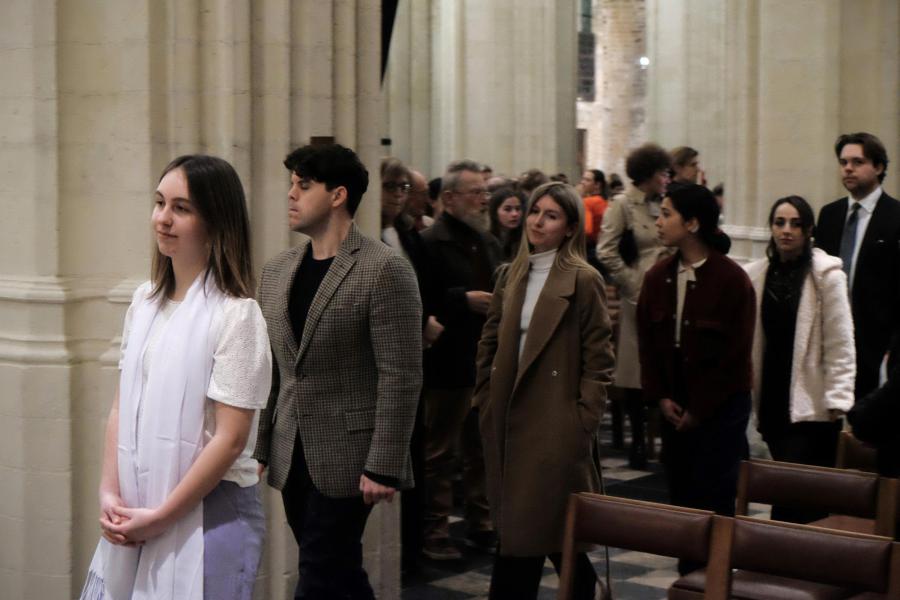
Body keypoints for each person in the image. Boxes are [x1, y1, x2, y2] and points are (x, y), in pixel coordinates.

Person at [81, 155, 272, 600]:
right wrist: (109, 490)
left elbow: (230, 439)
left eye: (181, 208)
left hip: (214, 511)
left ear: (215, 221)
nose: (163, 219)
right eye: (160, 203)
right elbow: (121, 406)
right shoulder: (145, 302)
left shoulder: (236, 315)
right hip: (140, 499)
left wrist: (163, 515)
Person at [252, 143, 422, 598]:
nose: (290, 194)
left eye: (303, 185)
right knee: (337, 570)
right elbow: (275, 368)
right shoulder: (277, 270)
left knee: (320, 570)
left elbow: (401, 375)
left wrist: (384, 465)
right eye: (291, 184)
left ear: (337, 195)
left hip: (351, 454)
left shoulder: (385, 270)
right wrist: (263, 444)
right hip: (294, 448)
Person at [474, 182, 614, 600]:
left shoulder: (583, 280)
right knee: (545, 535)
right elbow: (491, 339)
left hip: (554, 424)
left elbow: (599, 360)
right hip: (507, 417)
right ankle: (588, 591)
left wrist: (581, 421)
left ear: (570, 227)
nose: (537, 221)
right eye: (535, 211)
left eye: (550, 215)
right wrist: (484, 396)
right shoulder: (511, 273)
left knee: (529, 536)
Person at [637, 184, 754, 575]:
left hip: (719, 408)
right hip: (675, 401)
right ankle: (689, 579)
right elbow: (649, 346)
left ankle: (715, 580)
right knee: (683, 502)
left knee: (716, 500)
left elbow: (734, 358)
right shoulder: (657, 277)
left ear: (691, 223)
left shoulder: (732, 280)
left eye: (667, 213)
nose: (659, 220)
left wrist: (700, 410)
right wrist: (662, 397)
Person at [743, 196, 855, 523]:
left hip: (814, 400)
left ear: (808, 231)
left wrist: (839, 397)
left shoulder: (826, 276)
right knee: (787, 484)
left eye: (795, 224)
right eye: (779, 223)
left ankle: (794, 559)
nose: (786, 231)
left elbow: (840, 341)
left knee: (797, 494)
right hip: (774, 396)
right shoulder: (757, 275)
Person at [420, 159, 501, 560]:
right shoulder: (430, 242)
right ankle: (435, 532)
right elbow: (421, 301)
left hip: (483, 357)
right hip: (446, 361)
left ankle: (482, 523)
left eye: (486, 192)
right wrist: (462, 300)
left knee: (481, 448)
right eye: (476, 193)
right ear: (449, 198)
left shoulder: (487, 241)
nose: (484, 200)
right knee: (440, 452)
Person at [597, 143, 672, 468]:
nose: (666, 178)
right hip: (637, 296)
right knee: (635, 371)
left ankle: (668, 440)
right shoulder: (623, 205)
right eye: (661, 173)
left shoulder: (665, 205)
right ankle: (638, 443)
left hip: (669, 293)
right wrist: (631, 282)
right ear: (647, 174)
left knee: (667, 365)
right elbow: (606, 250)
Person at [815, 132, 900, 401]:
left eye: (857, 162)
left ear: (879, 167)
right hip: (830, 335)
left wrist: (893, 346)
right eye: (843, 162)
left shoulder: (895, 216)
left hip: (876, 342)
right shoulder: (830, 214)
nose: (848, 168)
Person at [488, 186, 525, 261]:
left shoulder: (524, 239)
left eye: (518, 209)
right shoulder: (486, 240)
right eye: (507, 209)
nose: (515, 214)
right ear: (494, 212)